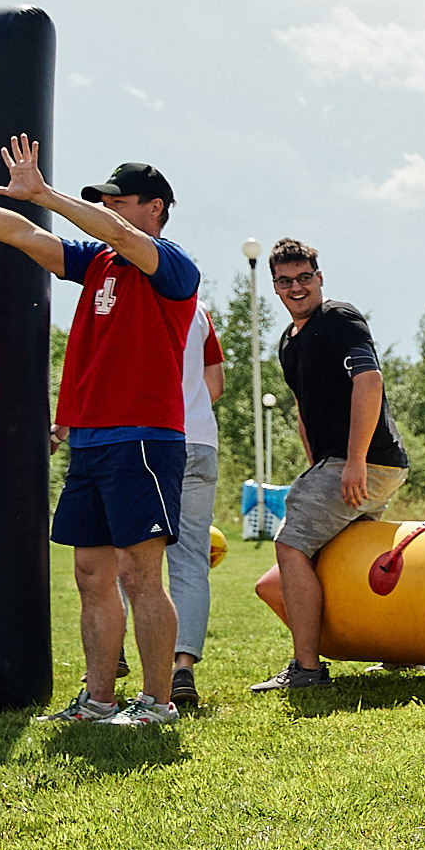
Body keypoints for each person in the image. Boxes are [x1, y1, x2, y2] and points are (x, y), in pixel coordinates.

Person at [0, 135, 198, 727]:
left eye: (117, 201)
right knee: (91, 572)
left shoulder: (172, 265)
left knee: (138, 572)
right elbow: (25, 235)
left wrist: (44, 192)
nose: (108, 211)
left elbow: (124, 237)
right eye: (101, 203)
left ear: (153, 206)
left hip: (144, 440)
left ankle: (158, 704)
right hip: (92, 441)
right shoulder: (98, 262)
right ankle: (98, 700)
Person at [248, 238, 410, 692]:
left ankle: (308, 669)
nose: (296, 288)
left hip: (365, 461)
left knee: (290, 546)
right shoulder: (287, 342)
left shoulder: (338, 318)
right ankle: (395, 648)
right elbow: (303, 409)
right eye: (286, 281)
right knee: (351, 557)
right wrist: (317, 465)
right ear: (276, 287)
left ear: (319, 278)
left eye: (304, 278)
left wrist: (353, 460)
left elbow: (369, 380)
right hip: (346, 463)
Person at [163, 302, 225, 706]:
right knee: (189, 560)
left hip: (151, 437)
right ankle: (181, 668)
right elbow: (215, 384)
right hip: (200, 440)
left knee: (122, 550)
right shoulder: (198, 308)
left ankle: (109, 654)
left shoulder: (127, 295)